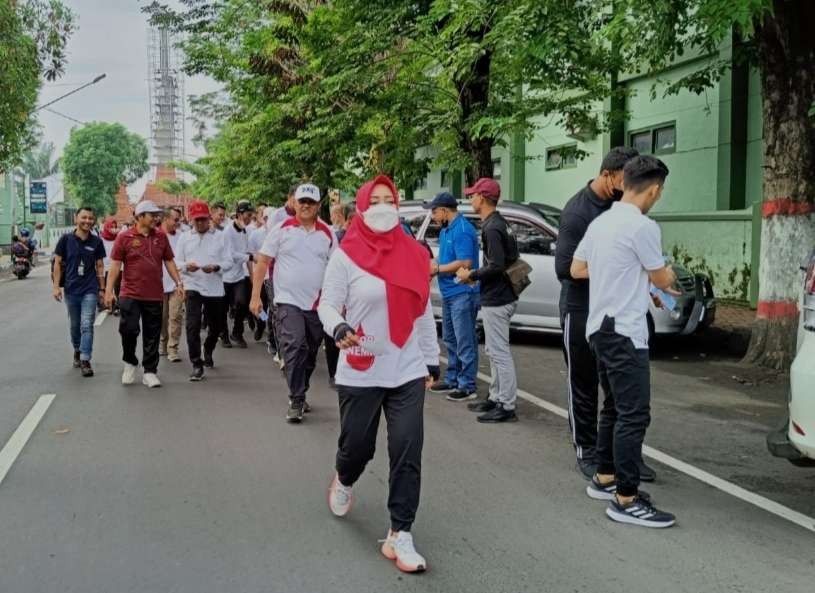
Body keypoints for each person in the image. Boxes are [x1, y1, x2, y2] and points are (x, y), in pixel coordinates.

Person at [318, 175, 439, 573]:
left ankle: (400, 533)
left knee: (407, 448)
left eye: (391, 199)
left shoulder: (416, 255)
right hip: (362, 366)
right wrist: (339, 328)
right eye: (377, 200)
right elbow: (328, 305)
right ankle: (344, 477)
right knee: (359, 447)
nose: (385, 206)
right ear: (363, 207)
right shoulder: (346, 255)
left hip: (405, 367)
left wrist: (431, 358)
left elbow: (421, 311)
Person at [570, 155, 678, 528]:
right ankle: (626, 498)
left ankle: (604, 477)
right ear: (654, 188)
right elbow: (663, 279)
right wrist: (665, 273)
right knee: (634, 413)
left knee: (613, 407)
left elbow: (576, 268)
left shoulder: (601, 222)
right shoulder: (642, 226)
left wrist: (620, 272)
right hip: (625, 330)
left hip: (599, 327)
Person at [556, 147, 659, 483]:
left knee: (622, 391)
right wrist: (615, 267)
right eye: (624, 176)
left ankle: (622, 455)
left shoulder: (624, 208)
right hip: (583, 310)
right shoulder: (577, 212)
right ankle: (586, 448)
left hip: (622, 310)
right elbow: (565, 269)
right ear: (609, 175)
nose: (629, 183)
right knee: (583, 383)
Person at [250, 183, 336, 423]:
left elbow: (337, 269)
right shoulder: (280, 229)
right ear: (294, 203)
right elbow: (263, 262)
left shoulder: (327, 234)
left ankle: (301, 389)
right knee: (295, 345)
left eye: (311, 202)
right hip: (287, 301)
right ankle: (296, 399)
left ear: (319, 205)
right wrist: (256, 296)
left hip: (318, 304)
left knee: (309, 353)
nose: (306, 206)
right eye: (302, 201)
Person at [456, 178, 519, 423]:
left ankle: (507, 404)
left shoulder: (492, 227)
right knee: (494, 350)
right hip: (500, 294)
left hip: (498, 297)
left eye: (473, 195)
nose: (471, 199)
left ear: (482, 198)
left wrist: (470, 275)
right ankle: (496, 397)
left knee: (499, 352)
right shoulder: (499, 223)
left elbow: (496, 265)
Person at [105, 200, 184, 389]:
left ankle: (150, 371)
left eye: (157, 214)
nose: (156, 218)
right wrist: (108, 291)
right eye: (152, 215)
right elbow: (115, 266)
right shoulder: (124, 238)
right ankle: (130, 362)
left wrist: (179, 282)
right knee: (128, 330)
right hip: (130, 293)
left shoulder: (161, 237)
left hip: (154, 294)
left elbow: (169, 261)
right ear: (140, 217)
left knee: (152, 334)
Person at [426, 192, 481, 401]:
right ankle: (453, 379)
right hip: (449, 293)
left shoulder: (463, 230)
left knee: (464, 339)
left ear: (444, 210)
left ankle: (467, 385)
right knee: (450, 338)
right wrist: (434, 264)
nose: (433, 216)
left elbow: (465, 263)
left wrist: (438, 269)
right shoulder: (446, 230)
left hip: (463, 293)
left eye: (434, 211)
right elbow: (446, 256)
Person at [174, 201, 233, 382]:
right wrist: (186, 266)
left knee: (216, 326)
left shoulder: (221, 237)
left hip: (214, 287)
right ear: (191, 220)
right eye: (196, 220)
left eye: (203, 220)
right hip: (193, 285)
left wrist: (215, 267)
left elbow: (229, 262)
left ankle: (208, 347)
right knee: (192, 325)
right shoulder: (185, 238)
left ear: (209, 218)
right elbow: (176, 262)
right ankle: (196, 363)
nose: (200, 223)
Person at [52, 206, 106, 377]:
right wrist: (55, 287)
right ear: (76, 218)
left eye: (90, 218)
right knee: (75, 326)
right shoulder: (65, 240)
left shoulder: (96, 242)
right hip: (71, 289)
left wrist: (103, 289)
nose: (87, 221)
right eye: (84, 217)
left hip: (90, 289)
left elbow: (99, 266)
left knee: (86, 324)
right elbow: (57, 263)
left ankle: (85, 359)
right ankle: (77, 349)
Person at [221, 200, 254, 348]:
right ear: (240, 214)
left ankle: (237, 332)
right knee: (223, 308)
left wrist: (252, 275)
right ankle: (224, 335)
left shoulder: (245, 231)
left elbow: (246, 253)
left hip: (239, 276)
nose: (250, 217)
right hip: (225, 276)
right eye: (248, 214)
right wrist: (251, 257)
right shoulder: (228, 231)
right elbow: (232, 255)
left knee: (242, 303)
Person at [159, 207, 185, 363]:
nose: (178, 223)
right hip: (158, 284)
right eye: (175, 219)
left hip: (178, 284)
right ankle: (163, 342)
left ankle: (173, 349)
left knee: (175, 317)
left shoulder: (182, 237)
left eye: (179, 220)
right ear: (165, 219)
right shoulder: (156, 236)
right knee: (162, 318)